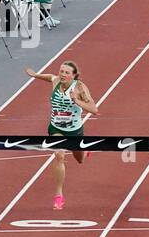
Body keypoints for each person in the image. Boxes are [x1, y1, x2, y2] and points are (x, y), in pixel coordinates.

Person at [24, 61, 101, 210]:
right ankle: (59, 196)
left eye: (67, 72)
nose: (63, 74)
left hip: (75, 131)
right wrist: (35, 75)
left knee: (80, 160)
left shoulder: (79, 88)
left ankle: (85, 152)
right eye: (61, 71)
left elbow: (94, 109)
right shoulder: (56, 81)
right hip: (56, 128)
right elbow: (50, 77)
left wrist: (76, 100)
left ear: (74, 76)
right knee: (59, 155)